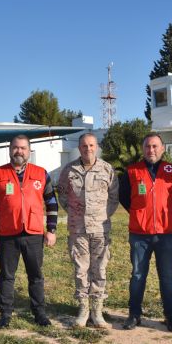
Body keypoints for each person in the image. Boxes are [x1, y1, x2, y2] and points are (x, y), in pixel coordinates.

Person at [0, 135, 58, 328]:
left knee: (36, 275)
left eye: (23, 148)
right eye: (15, 148)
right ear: (10, 149)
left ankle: (39, 313)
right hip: (7, 234)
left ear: (29, 151)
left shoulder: (41, 173)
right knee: (6, 276)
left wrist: (51, 230)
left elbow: (51, 203)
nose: (19, 151)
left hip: (33, 233)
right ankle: (5, 314)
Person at [119, 133, 172, 332]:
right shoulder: (131, 171)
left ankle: (171, 316)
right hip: (140, 234)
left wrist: (166, 214)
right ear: (143, 149)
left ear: (163, 148)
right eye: (147, 146)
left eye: (155, 146)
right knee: (138, 275)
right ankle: (134, 314)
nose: (151, 150)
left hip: (166, 233)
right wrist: (141, 214)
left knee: (167, 276)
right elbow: (124, 198)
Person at [57, 133, 119, 328]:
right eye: (84, 146)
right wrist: (76, 214)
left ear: (97, 147)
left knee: (99, 268)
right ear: (79, 147)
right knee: (81, 269)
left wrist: (101, 214)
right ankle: (83, 308)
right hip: (77, 228)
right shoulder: (69, 170)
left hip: (100, 228)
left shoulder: (107, 169)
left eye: (91, 145)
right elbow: (63, 196)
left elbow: (114, 197)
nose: (88, 149)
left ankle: (97, 310)